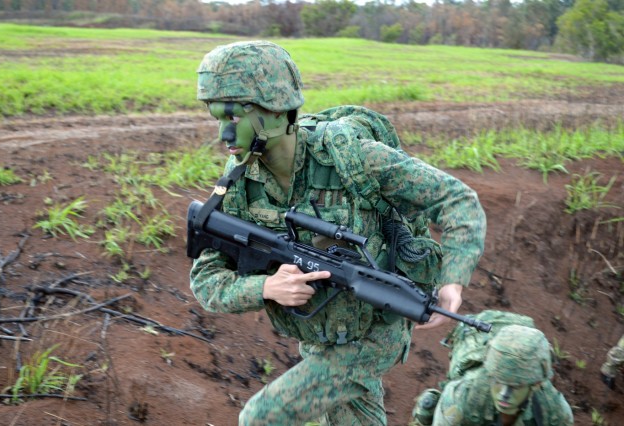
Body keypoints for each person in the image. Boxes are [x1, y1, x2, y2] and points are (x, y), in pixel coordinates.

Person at [189, 40, 486, 425]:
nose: (223, 134)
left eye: (233, 118)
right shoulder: (240, 189)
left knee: (262, 418)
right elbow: (206, 280)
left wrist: (452, 282)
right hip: (321, 338)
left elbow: (457, 199)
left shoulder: (352, 159)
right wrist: (265, 288)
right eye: (216, 118)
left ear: (276, 113)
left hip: (378, 328)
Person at [411, 324, 574, 426]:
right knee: (429, 404)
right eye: (498, 381)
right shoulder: (463, 396)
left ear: (536, 384)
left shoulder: (554, 412)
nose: (504, 394)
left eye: (515, 386)